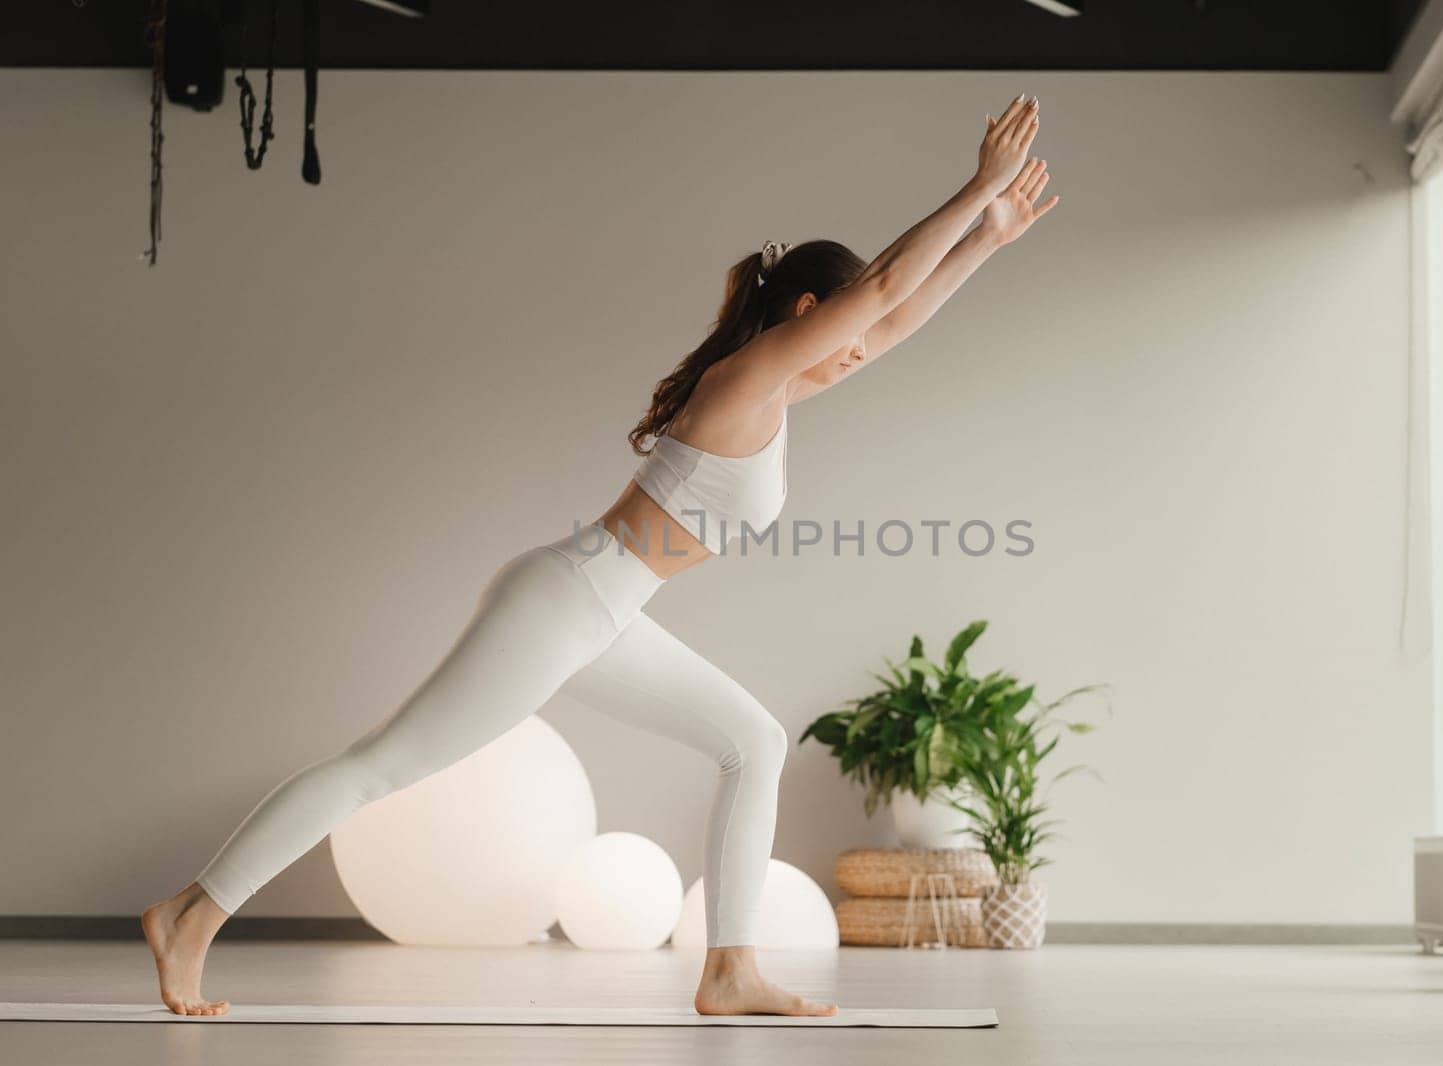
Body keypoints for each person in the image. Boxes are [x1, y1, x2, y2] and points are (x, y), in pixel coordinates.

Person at [142, 93, 1057, 1017]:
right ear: (809, 313)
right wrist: (975, 189)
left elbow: (892, 317)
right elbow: (888, 292)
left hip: (605, 610)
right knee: (382, 766)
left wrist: (988, 240)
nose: (863, 350)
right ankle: (191, 913)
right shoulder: (744, 381)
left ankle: (729, 970)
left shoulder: (774, 397)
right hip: (568, 600)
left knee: (752, 740)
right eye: (845, 330)